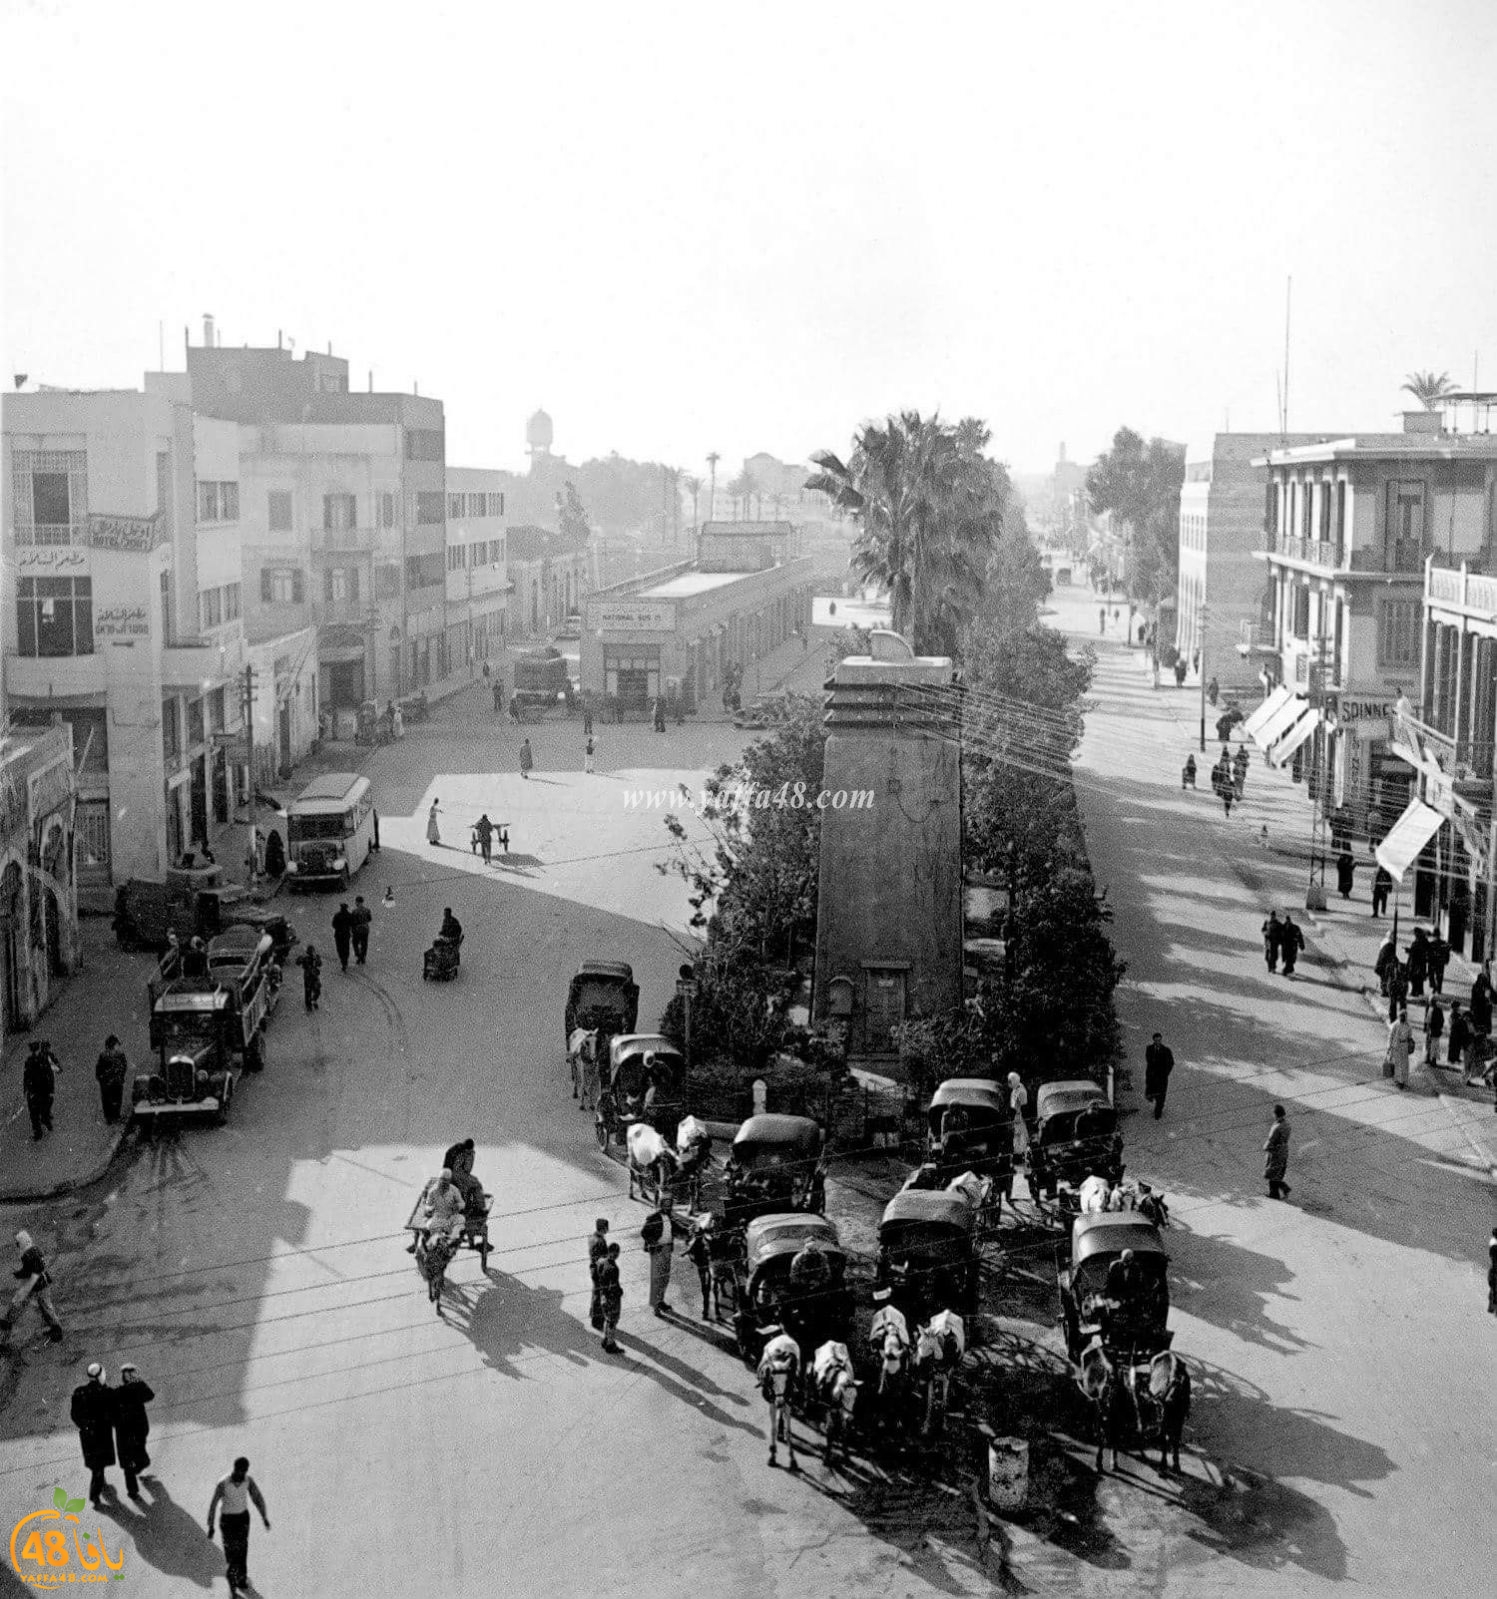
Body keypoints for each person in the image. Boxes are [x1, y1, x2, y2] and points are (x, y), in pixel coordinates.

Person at [207, 1456, 270, 1599]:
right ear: (234, 1469)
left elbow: (257, 1498)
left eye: (243, 1472)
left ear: (246, 1471)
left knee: (242, 1551)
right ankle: (233, 1588)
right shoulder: (223, 1483)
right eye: (238, 1472)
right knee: (232, 1557)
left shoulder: (248, 1481)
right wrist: (211, 1526)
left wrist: (264, 1516)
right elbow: (213, 1504)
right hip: (227, 1522)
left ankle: (242, 1580)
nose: (240, 1476)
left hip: (242, 1519)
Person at [1, 1229, 64, 1344]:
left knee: (41, 1307)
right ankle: (7, 1324)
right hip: (39, 1285)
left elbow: (33, 1272)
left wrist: (21, 1279)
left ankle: (56, 1330)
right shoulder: (33, 1251)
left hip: (38, 1286)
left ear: (22, 1242)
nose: (17, 1246)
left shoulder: (29, 1255)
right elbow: (31, 1270)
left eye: (18, 1243)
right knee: (42, 1307)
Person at [71, 1364, 117, 1507]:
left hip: (87, 1436)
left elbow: (74, 1415)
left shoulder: (79, 1392)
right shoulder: (107, 1393)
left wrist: (85, 1426)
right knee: (98, 1466)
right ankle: (94, 1495)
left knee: (95, 1463)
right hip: (102, 1436)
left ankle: (101, 1482)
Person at [113, 1362, 154, 1500]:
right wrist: (139, 1382)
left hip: (124, 1432)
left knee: (127, 1461)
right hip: (138, 1429)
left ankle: (132, 1491)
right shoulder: (138, 1388)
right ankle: (139, 1466)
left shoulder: (117, 1391)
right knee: (139, 1451)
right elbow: (150, 1395)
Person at [22, 1040, 60, 1140]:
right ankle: (46, 1123)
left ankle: (39, 1133)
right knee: (42, 1110)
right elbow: (50, 1074)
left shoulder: (30, 1061)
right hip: (42, 1090)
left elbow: (27, 1077)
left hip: (35, 1091)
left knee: (34, 1114)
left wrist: (26, 1089)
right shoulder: (44, 1060)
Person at [642, 1205, 674, 1316]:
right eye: (665, 1202)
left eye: (669, 1202)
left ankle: (660, 1301)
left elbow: (677, 1229)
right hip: (658, 1250)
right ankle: (655, 1307)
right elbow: (644, 1233)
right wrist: (654, 1243)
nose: (667, 1204)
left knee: (665, 1278)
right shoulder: (653, 1217)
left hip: (667, 1249)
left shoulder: (670, 1216)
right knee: (657, 1279)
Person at [94, 1034, 129, 1125]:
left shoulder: (103, 1055)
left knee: (107, 1099)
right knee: (116, 1098)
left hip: (107, 1082)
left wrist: (100, 1078)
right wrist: (121, 1076)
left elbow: (99, 1069)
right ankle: (115, 1116)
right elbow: (124, 1066)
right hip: (115, 1081)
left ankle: (109, 1117)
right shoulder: (119, 1054)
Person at [685, 1218, 714, 1319]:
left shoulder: (696, 1240)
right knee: (706, 1287)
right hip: (704, 1264)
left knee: (706, 1287)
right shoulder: (696, 1241)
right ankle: (705, 1312)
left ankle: (705, 1312)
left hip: (705, 1264)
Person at [597, 1241, 623, 1353]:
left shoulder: (602, 1263)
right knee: (613, 1321)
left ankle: (606, 1339)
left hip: (603, 1295)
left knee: (607, 1319)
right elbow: (613, 1286)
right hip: (611, 1299)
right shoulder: (613, 1268)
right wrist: (619, 1292)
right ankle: (610, 1344)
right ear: (616, 1253)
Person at [1263, 1104, 1291, 1199]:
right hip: (1284, 1150)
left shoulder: (1277, 1127)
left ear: (1276, 1114)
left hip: (1275, 1152)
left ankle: (1276, 1193)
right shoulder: (1287, 1125)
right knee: (1278, 1171)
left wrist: (1266, 1147)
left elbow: (1271, 1140)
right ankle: (1283, 1189)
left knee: (1272, 1172)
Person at [1144, 1033, 1174, 1120]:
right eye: (1156, 1040)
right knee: (1152, 1092)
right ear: (1153, 1040)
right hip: (1152, 1076)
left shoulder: (1166, 1050)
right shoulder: (1149, 1049)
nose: (1158, 1042)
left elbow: (1171, 1062)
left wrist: (1165, 1072)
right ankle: (1153, 1100)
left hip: (1162, 1077)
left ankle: (1158, 1112)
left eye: (1159, 1040)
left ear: (1161, 1040)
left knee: (1161, 1095)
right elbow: (1149, 1060)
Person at [1386, 1008, 1414, 1089]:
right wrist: (1389, 1046)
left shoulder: (1408, 1026)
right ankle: (1399, 1081)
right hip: (1396, 1046)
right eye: (1401, 1016)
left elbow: (1410, 1037)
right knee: (1398, 1064)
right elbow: (1391, 1036)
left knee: (1404, 1064)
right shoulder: (1396, 1025)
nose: (1402, 1018)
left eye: (1403, 1016)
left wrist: (1410, 1045)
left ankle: (1404, 1081)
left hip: (1404, 1046)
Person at [296, 942, 322, 1011]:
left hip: (315, 975)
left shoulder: (316, 957)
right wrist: (301, 958)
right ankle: (308, 1005)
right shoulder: (305, 958)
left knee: (317, 990)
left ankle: (313, 1000)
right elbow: (297, 962)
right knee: (308, 991)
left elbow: (320, 964)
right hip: (308, 976)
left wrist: (316, 959)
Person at [1447, 1002, 1470, 1077]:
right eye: (1457, 1007)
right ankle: (1451, 1059)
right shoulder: (1452, 1014)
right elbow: (1453, 1023)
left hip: (1458, 1033)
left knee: (1457, 1046)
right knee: (1453, 1046)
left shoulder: (1458, 1015)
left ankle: (1456, 1057)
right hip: (1454, 1032)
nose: (1458, 1008)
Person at [1406, 928, 1430, 999]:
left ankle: (1414, 992)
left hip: (1415, 964)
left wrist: (1408, 951)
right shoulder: (1425, 941)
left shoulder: (1416, 943)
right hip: (1422, 964)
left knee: (1414, 978)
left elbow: (1414, 953)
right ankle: (1419, 992)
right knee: (1419, 979)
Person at [1279, 912, 1304, 977]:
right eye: (1287, 921)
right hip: (1286, 946)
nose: (1288, 922)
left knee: (1291, 959)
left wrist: (1301, 945)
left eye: (1288, 921)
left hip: (1293, 946)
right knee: (1288, 959)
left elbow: (1299, 936)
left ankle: (1288, 970)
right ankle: (1288, 971)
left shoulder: (1295, 928)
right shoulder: (1283, 927)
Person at [331, 902, 354, 972]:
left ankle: (342, 961)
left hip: (338, 934)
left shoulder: (337, 915)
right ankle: (345, 961)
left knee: (340, 948)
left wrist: (339, 928)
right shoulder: (349, 915)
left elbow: (333, 924)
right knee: (346, 948)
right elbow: (352, 924)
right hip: (346, 934)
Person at [1374, 931, 1398, 995]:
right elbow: (1391, 955)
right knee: (1386, 977)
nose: (1396, 938)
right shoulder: (1390, 944)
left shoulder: (1385, 942)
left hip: (1381, 963)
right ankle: (1385, 991)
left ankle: (1384, 991)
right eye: (1395, 936)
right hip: (1384, 964)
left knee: (1384, 978)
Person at [1424, 996, 1445, 1068]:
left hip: (1435, 1031)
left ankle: (1433, 1060)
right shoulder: (1429, 1008)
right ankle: (1428, 1058)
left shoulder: (1438, 1010)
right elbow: (1426, 1019)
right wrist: (1426, 1028)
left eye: (1432, 1001)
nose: (1431, 1003)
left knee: (1434, 1046)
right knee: (1428, 1045)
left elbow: (1441, 1020)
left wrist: (1437, 1028)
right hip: (1429, 1030)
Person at [351, 896, 372, 965]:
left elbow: (353, 922)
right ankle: (363, 957)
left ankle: (358, 955)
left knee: (355, 943)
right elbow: (369, 919)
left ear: (357, 902)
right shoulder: (367, 910)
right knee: (364, 944)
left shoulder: (354, 911)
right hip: (365, 929)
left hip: (357, 929)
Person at [1428, 931, 1450, 995]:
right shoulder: (1443, 943)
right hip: (1439, 963)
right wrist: (1446, 960)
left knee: (1433, 975)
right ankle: (1438, 989)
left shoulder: (1431, 943)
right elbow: (1447, 952)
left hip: (1434, 963)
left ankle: (1435, 987)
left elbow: (1429, 953)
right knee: (1439, 976)